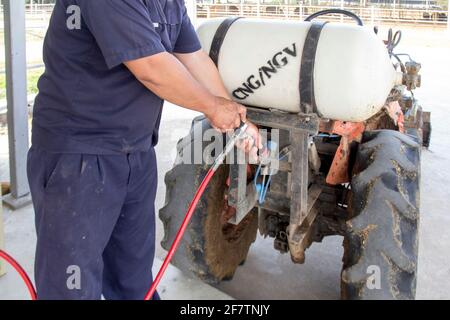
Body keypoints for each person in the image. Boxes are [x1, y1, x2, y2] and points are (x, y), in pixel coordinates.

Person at [27, 0, 259, 300]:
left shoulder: (170, 3)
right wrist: (212, 108)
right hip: (79, 156)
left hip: (136, 152)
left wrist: (238, 120)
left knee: (133, 277)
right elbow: (151, 67)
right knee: (73, 283)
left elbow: (194, 58)